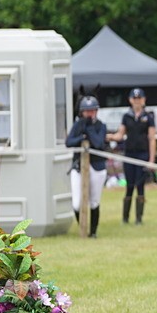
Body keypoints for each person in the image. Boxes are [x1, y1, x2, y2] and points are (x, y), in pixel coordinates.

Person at [109, 87, 157, 224]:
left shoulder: (148, 117)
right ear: (130, 100)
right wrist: (108, 137)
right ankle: (125, 217)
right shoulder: (126, 116)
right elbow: (120, 134)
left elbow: (152, 138)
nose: (137, 102)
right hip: (129, 154)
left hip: (142, 154)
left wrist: (151, 160)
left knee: (140, 185)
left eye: (139, 99)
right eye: (135, 99)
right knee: (129, 185)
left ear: (143, 100)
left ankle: (139, 218)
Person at [65, 96, 108, 238]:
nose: (89, 114)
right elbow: (69, 142)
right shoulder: (78, 125)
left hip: (96, 166)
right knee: (76, 203)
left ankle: (93, 232)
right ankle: (83, 227)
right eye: (86, 111)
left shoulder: (101, 126)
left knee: (94, 201)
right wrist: (81, 138)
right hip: (78, 167)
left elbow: (98, 143)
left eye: (92, 111)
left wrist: (88, 131)